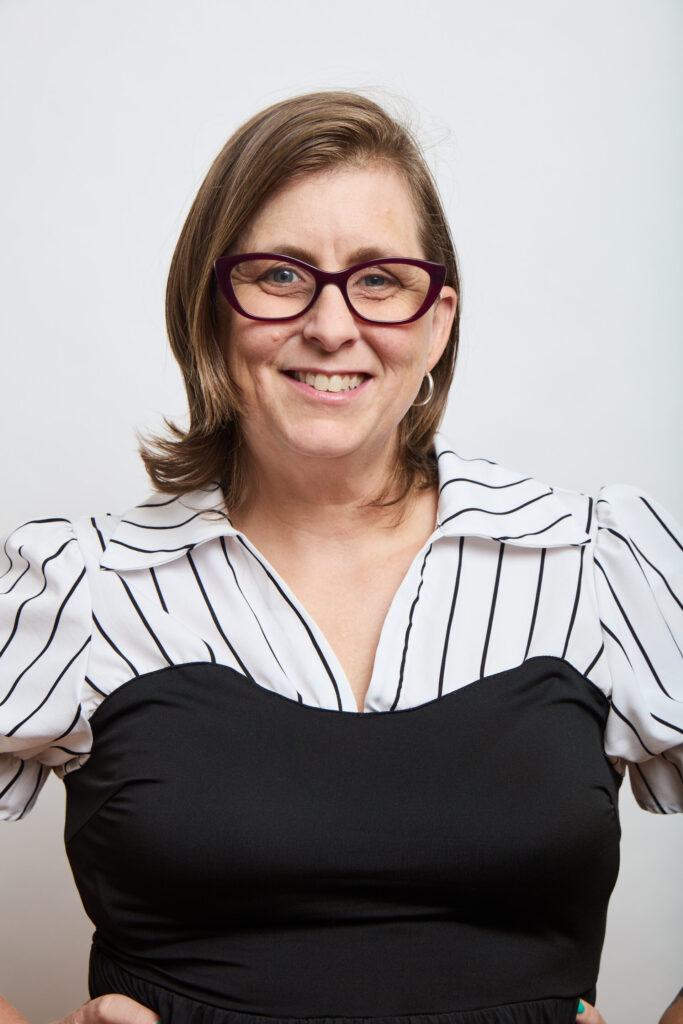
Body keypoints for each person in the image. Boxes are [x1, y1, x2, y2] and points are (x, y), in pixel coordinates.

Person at [0, 91, 680, 1024]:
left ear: (437, 321)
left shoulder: (596, 563)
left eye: (380, 279)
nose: (330, 325)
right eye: (280, 275)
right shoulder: (84, 584)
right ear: (209, 309)